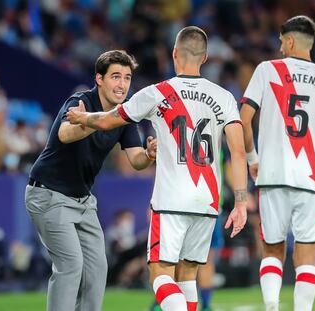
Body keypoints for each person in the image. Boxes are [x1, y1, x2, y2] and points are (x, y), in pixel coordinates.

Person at [67, 26, 248, 311]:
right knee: (188, 276)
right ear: (205, 58)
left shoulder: (156, 93)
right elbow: (238, 152)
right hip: (208, 200)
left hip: (173, 198)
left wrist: (82, 117)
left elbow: (109, 120)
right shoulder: (223, 97)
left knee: (161, 273)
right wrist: (240, 201)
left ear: (175, 54)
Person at [25, 50, 157, 311]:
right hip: (49, 195)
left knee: (97, 268)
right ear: (99, 78)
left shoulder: (123, 114)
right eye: (115, 76)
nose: (122, 84)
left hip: (83, 200)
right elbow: (64, 134)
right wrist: (86, 122)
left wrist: (149, 155)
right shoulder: (80, 101)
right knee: (70, 265)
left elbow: (136, 160)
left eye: (127, 78)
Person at [240, 16, 315, 311]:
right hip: (311, 178)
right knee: (306, 255)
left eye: (281, 42)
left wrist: (253, 158)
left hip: (273, 175)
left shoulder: (267, 70)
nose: (279, 47)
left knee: (272, 249)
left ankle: (271, 307)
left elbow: (243, 120)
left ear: (289, 41)